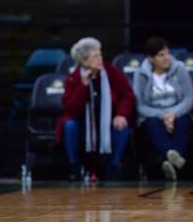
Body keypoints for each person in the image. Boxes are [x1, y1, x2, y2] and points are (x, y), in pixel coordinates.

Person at [56, 38, 135, 181]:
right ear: (84, 61)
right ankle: (75, 168)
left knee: (122, 126)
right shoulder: (73, 79)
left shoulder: (111, 72)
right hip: (83, 123)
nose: (100, 59)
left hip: (109, 120)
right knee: (70, 126)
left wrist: (121, 114)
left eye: (100, 55)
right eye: (96, 56)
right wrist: (84, 85)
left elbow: (127, 95)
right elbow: (73, 110)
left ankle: (113, 167)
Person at [133, 36, 193, 180]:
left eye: (167, 53)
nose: (166, 58)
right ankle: (176, 160)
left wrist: (173, 114)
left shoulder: (179, 68)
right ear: (151, 58)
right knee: (152, 123)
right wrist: (163, 115)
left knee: (183, 122)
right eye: (161, 55)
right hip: (153, 114)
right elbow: (140, 105)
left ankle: (170, 161)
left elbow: (189, 97)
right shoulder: (140, 74)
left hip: (178, 112)